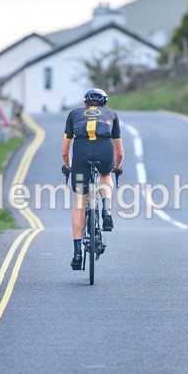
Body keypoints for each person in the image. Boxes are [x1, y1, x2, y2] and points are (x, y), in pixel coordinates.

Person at [61, 88, 124, 270]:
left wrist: (69, 166)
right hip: (105, 153)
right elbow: (119, 152)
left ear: (85, 104)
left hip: (80, 156)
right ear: (105, 104)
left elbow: (65, 151)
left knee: (80, 204)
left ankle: (77, 253)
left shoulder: (74, 114)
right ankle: (106, 210)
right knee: (105, 175)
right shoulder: (111, 114)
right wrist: (116, 168)